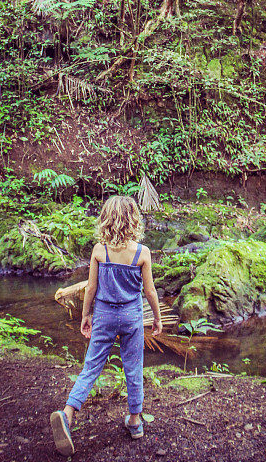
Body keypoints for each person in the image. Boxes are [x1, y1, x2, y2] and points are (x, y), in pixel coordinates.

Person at [50, 195, 163, 456]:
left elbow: (91, 287)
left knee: (92, 365)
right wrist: (156, 317)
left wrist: (85, 315)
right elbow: (150, 291)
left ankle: (67, 414)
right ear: (133, 220)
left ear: (106, 220)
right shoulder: (142, 253)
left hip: (104, 315)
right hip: (132, 317)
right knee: (133, 366)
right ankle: (135, 421)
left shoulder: (99, 251)